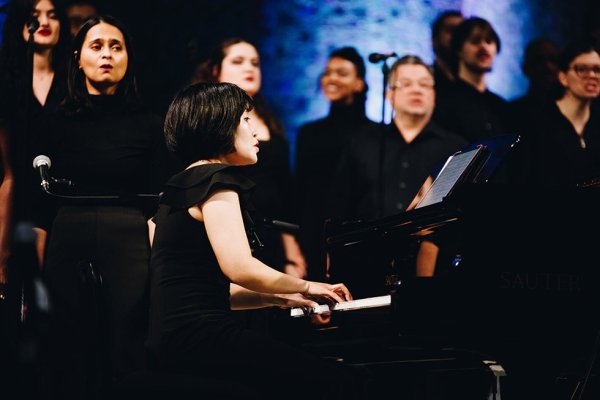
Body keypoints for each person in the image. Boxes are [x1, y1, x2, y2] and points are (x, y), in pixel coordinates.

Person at [146, 81, 364, 400]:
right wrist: (307, 286)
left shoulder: (177, 189)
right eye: (246, 120)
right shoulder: (216, 183)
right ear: (219, 124)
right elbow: (239, 267)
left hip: (175, 339)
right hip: (204, 338)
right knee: (338, 381)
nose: (256, 131)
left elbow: (214, 292)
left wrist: (277, 298)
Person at [35, 15, 170, 399]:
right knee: (68, 346)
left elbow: (158, 201)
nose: (107, 54)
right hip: (67, 231)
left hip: (129, 235)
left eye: (116, 46)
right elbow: (39, 204)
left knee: (127, 344)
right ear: (78, 58)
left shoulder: (149, 122)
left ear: (128, 58)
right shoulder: (55, 119)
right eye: (97, 46)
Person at [329, 55, 467, 284]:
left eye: (424, 84)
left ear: (434, 95)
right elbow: (337, 209)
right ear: (389, 95)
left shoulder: (456, 149)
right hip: (364, 273)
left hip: (435, 277)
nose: (416, 90)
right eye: (406, 84)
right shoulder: (362, 143)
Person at [195, 38, 306, 278]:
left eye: (255, 63)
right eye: (238, 61)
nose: (249, 68)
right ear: (216, 70)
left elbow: (285, 194)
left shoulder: (271, 121)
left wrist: (291, 251)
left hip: (270, 234)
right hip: (227, 230)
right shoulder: (204, 119)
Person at [295, 46, 376, 281]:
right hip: (313, 235)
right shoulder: (309, 133)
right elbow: (300, 193)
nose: (331, 78)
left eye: (341, 73)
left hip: (359, 236)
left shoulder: (375, 134)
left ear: (359, 83)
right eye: (328, 72)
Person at [517, 36, 600, 187]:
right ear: (563, 77)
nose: (592, 76)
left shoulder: (597, 121)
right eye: (582, 69)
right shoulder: (536, 120)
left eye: (597, 69)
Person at [433, 16, 511, 145]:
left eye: (489, 41)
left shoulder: (501, 106)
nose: (483, 47)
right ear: (459, 49)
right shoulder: (443, 101)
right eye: (475, 41)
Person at [508, 37, 562, 132]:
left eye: (552, 60)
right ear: (526, 68)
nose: (547, 66)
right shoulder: (512, 112)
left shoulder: (573, 110)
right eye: (539, 60)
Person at [430, 10, 464, 91]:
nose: (457, 37)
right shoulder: (425, 82)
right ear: (435, 40)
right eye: (452, 31)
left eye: (463, 33)